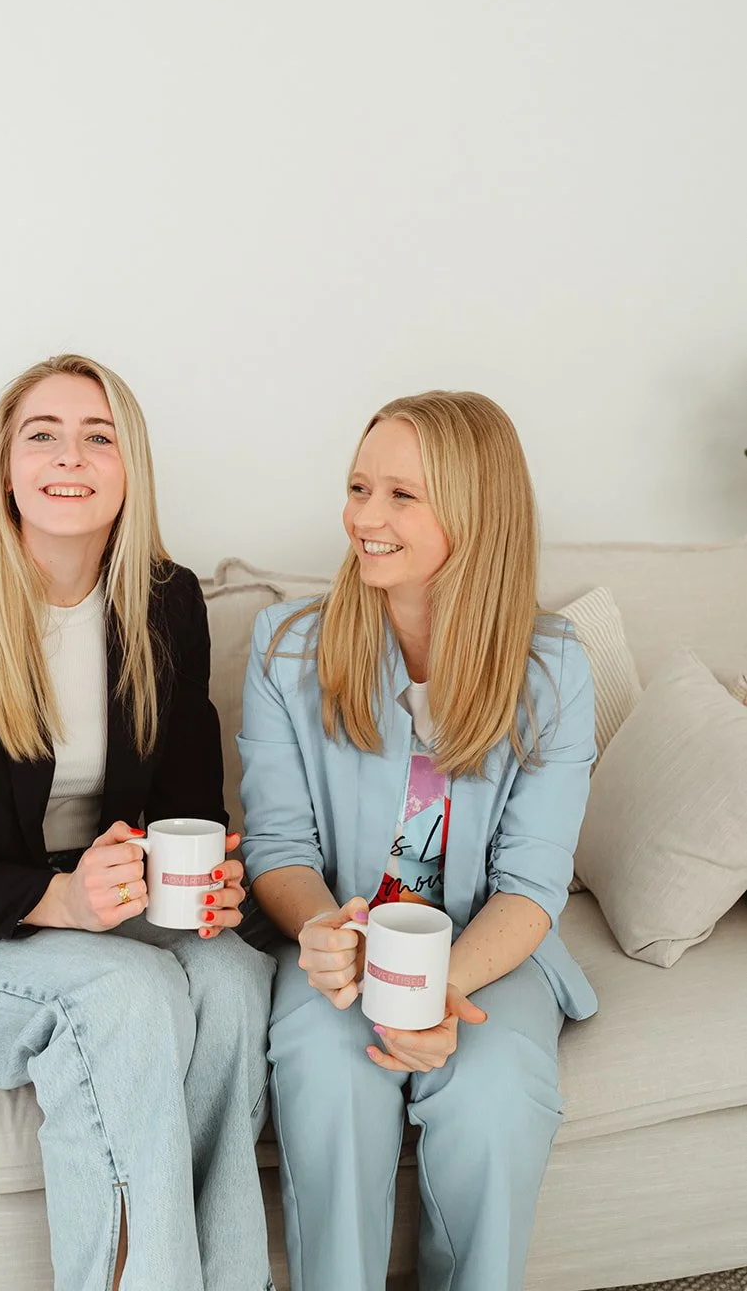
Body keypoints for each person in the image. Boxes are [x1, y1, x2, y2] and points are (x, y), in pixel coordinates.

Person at [0, 353, 275, 1291]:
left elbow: (188, 805)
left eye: (97, 436)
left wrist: (204, 884)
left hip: (101, 900)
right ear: (6, 465)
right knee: (126, 997)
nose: (70, 456)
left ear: (129, 466)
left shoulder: (165, 601)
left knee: (231, 979)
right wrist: (57, 900)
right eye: (43, 435)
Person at [238, 390, 598, 1291]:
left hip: (486, 952)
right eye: (359, 488)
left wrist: (439, 990)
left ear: (476, 514)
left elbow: (530, 882)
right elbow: (279, 847)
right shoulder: (284, 648)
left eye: (401, 495)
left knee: (493, 1099)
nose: (365, 517)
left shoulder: (554, 667)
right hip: (341, 944)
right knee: (327, 1073)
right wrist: (325, 934)